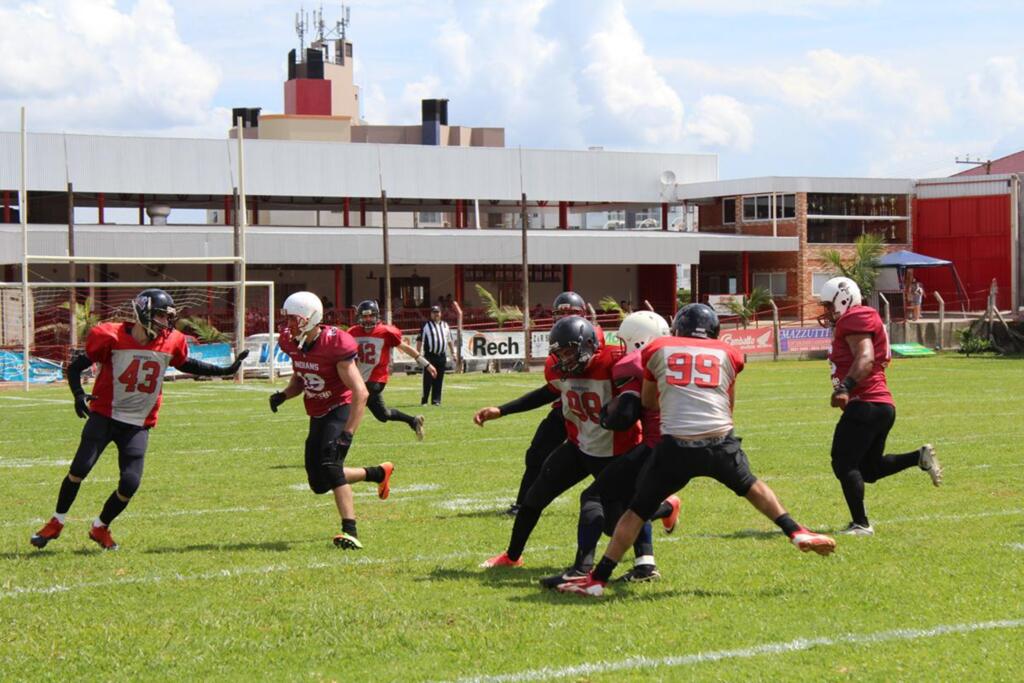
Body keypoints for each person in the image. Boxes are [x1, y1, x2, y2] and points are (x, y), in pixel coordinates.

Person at [558, 304, 836, 597]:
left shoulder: (658, 348)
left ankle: (598, 580)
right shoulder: (729, 353)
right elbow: (728, 404)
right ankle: (796, 531)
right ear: (715, 331)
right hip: (719, 438)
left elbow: (650, 402)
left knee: (636, 511)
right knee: (751, 485)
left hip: (675, 444)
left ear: (677, 329)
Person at [30, 288, 249, 551]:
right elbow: (76, 366)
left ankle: (100, 526)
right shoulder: (110, 335)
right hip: (105, 415)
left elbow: (186, 363)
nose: (166, 323)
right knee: (79, 469)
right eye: (160, 316)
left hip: (138, 423)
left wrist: (225, 370)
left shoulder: (172, 341)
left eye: (168, 317)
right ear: (144, 313)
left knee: (130, 483)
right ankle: (56, 521)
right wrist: (78, 394)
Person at [475, 315, 641, 569]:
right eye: (560, 353)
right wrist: (502, 410)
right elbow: (546, 393)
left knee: (614, 523)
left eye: (568, 352)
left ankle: (658, 519)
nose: (564, 359)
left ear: (587, 344)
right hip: (578, 445)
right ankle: (512, 556)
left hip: (614, 451)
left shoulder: (615, 361)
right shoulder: (559, 370)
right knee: (534, 498)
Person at [540, 310, 680, 588]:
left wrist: (608, 415)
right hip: (683, 445)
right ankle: (645, 563)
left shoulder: (633, 364)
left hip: (653, 446)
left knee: (594, 497)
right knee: (632, 503)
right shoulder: (675, 360)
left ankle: (583, 569)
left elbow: (625, 416)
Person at [818, 277, 942, 536]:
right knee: (869, 470)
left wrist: (845, 387)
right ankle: (918, 457)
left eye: (830, 305)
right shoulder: (856, 319)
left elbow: (865, 357)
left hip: (866, 403)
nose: (827, 311)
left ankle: (861, 524)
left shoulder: (855, 319)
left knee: (843, 462)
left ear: (844, 298)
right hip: (880, 405)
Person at [269, 291, 394, 549]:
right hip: (316, 410)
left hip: (340, 407)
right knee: (318, 483)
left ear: (310, 318)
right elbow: (301, 378)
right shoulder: (292, 342)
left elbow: (361, 392)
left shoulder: (335, 344)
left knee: (331, 463)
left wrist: (348, 434)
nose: (288, 324)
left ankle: (350, 531)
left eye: (294, 319)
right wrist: (283, 395)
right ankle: (377, 473)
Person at [502, 291, 602, 517]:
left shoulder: (597, 338)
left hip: (595, 409)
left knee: (605, 462)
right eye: (561, 313)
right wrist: (502, 410)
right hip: (566, 406)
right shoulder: (557, 341)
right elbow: (552, 388)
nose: (565, 317)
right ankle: (522, 504)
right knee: (537, 453)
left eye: (571, 313)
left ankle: (647, 500)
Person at [349, 300, 434, 440]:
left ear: (376, 316)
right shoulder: (353, 332)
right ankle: (413, 421)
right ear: (359, 317)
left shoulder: (385, 332)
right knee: (384, 415)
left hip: (377, 379)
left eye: (370, 316)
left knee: (350, 401)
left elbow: (405, 348)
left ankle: (342, 435)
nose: (367, 319)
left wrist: (426, 364)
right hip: (361, 379)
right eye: (364, 316)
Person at [416, 305, 456, 406]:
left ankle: (436, 400)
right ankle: (424, 400)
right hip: (430, 356)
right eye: (434, 312)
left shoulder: (445, 325)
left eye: (437, 312)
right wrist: (417, 354)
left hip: (441, 356)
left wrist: (453, 353)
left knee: (439, 379)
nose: (436, 314)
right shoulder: (426, 325)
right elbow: (420, 340)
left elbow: (449, 340)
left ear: (441, 314)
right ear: (431, 314)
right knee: (427, 379)